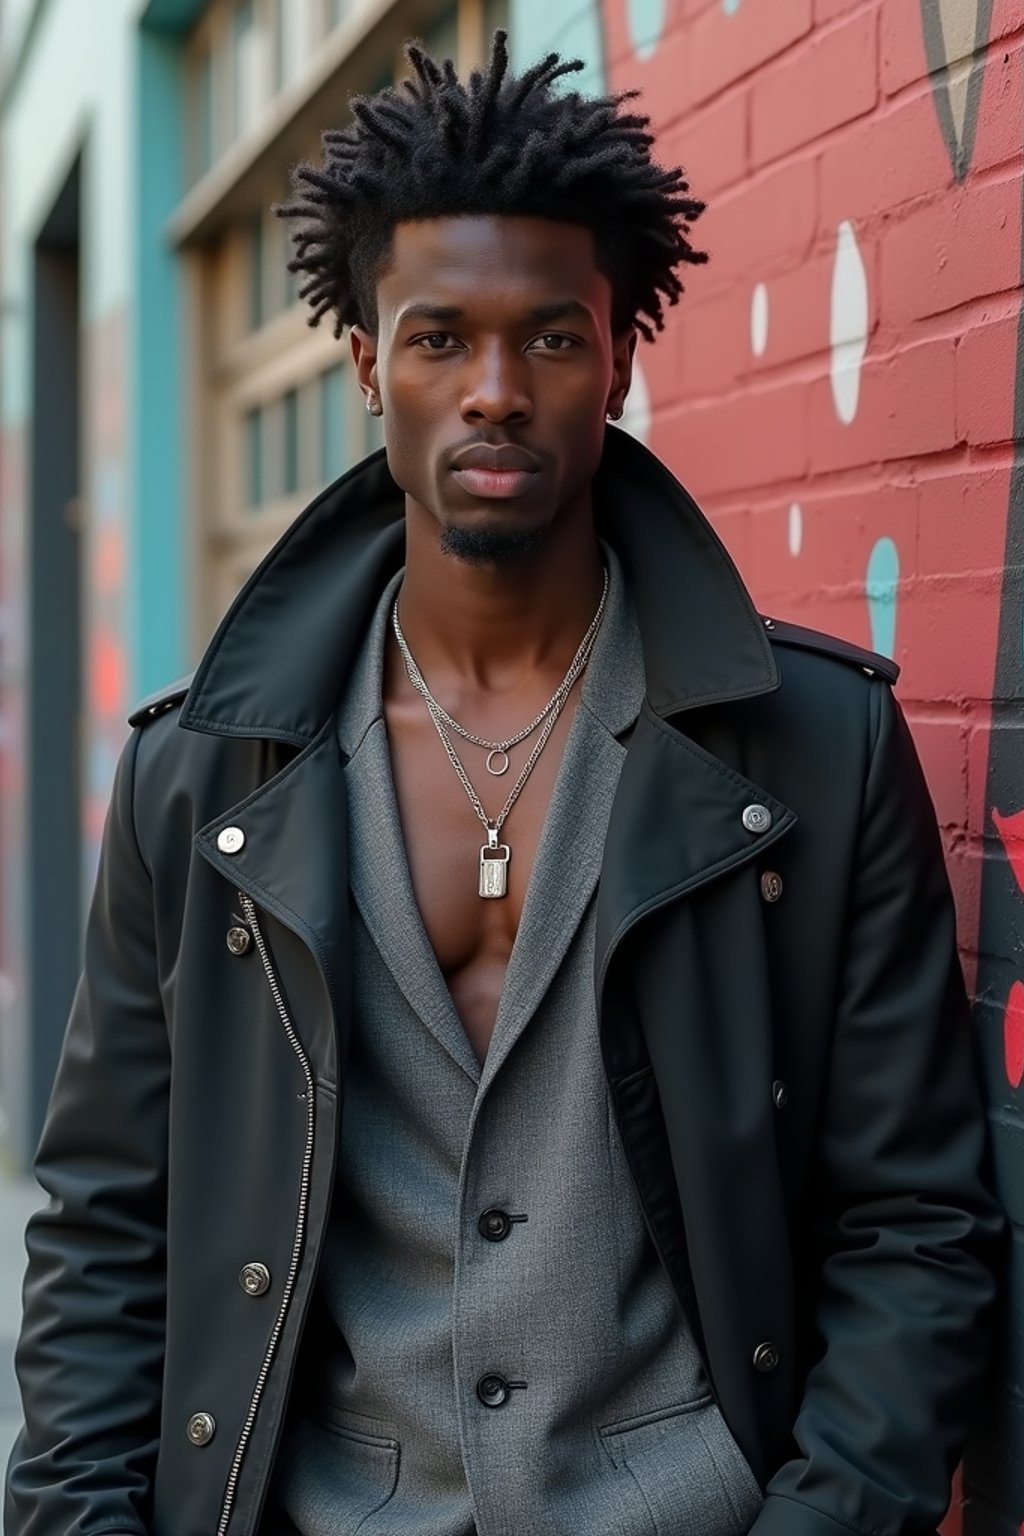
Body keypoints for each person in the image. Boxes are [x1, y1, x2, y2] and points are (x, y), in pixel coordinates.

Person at [5, 30, 1002, 1536]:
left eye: (548, 337)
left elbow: (916, 1225)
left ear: (620, 355)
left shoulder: (812, 748)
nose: (493, 389)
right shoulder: (197, 778)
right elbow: (106, 1234)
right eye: (437, 338)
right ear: (363, 363)